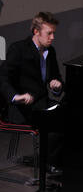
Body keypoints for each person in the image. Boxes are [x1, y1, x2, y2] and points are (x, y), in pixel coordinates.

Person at [0, 11, 64, 170]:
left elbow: (55, 77)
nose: (52, 37)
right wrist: (16, 97)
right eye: (49, 33)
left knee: (68, 115)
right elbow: (2, 77)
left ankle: (56, 162)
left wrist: (56, 86)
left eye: (53, 33)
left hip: (41, 104)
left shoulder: (51, 52)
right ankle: (50, 164)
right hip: (21, 108)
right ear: (36, 31)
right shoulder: (18, 49)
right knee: (53, 123)